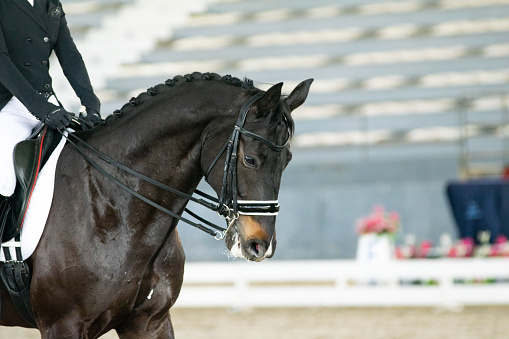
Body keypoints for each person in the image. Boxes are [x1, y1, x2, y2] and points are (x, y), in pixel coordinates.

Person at [0, 0, 101, 222]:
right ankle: (6, 244)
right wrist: (44, 110)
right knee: (4, 176)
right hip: (8, 103)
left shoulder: (51, 3)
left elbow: (70, 57)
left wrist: (91, 103)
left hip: (46, 101)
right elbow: (2, 63)